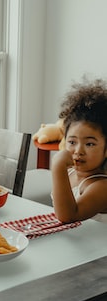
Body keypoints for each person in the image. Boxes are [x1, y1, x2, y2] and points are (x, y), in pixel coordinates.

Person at [51, 78, 107, 223]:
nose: (78, 151)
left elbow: (68, 216)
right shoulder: (70, 173)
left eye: (89, 144)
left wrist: (57, 166)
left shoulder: (102, 186)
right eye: (72, 142)